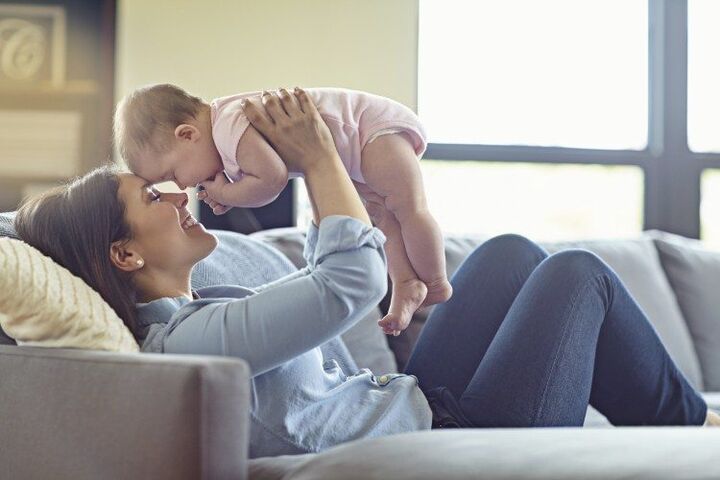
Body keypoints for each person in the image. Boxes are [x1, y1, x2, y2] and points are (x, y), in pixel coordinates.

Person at [15, 89, 719, 459]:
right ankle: (693, 427)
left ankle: (685, 414)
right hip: (451, 434)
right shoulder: (186, 347)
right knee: (577, 276)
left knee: (508, 253)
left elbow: (335, 274)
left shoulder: (211, 307)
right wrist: (319, 155)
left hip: (417, 402)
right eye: (152, 195)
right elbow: (348, 284)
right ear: (124, 255)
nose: (177, 193)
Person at [113, 84, 452, 335]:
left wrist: (230, 194)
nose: (185, 187)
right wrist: (229, 188)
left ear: (187, 135)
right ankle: (407, 282)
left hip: (371, 131)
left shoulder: (230, 126)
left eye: (173, 175)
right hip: (354, 152)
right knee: (386, 218)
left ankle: (435, 281)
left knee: (408, 208)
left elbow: (271, 180)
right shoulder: (226, 138)